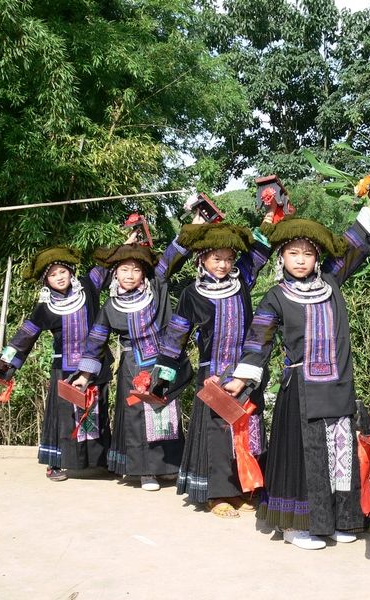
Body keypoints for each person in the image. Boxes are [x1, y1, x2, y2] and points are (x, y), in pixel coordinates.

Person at [223, 189, 370, 550]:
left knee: (340, 454)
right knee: (302, 457)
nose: (300, 260)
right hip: (300, 390)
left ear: (316, 258)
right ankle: (296, 527)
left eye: (307, 253)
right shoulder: (276, 297)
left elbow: (353, 244)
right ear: (282, 256)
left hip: (338, 386)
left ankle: (340, 520)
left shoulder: (331, 282)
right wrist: (241, 378)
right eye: (293, 253)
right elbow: (258, 340)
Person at [155, 205, 274, 518]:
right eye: (216, 259)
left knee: (249, 429)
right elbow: (176, 338)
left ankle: (246, 489)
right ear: (202, 259)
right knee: (219, 434)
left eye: (228, 259)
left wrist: (270, 217)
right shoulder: (192, 294)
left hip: (247, 370)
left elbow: (259, 252)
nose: (223, 265)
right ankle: (218, 495)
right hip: (213, 376)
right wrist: (162, 377)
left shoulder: (242, 281)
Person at [71, 238, 192, 491]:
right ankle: (145, 471)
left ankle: (169, 466)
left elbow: (169, 258)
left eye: (136, 270)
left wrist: (192, 229)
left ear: (143, 273)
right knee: (137, 418)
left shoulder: (156, 288)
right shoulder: (110, 306)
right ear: (115, 273)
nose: (130, 275)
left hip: (163, 363)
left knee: (166, 414)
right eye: (124, 269)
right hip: (132, 366)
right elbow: (96, 340)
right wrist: (84, 375)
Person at [0, 246, 113, 481]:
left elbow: (108, 264)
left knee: (96, 412)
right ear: (46, 280)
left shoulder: (88, 286)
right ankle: (55, 463)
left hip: (95, 365)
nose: (59, 277)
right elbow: (25, 336)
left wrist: (129, 243)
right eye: (53, 274)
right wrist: (2, 363)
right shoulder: (45, 307)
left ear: (71, 272)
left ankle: (100, 461)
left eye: (63, 272)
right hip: (64, 368)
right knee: (62, 417)